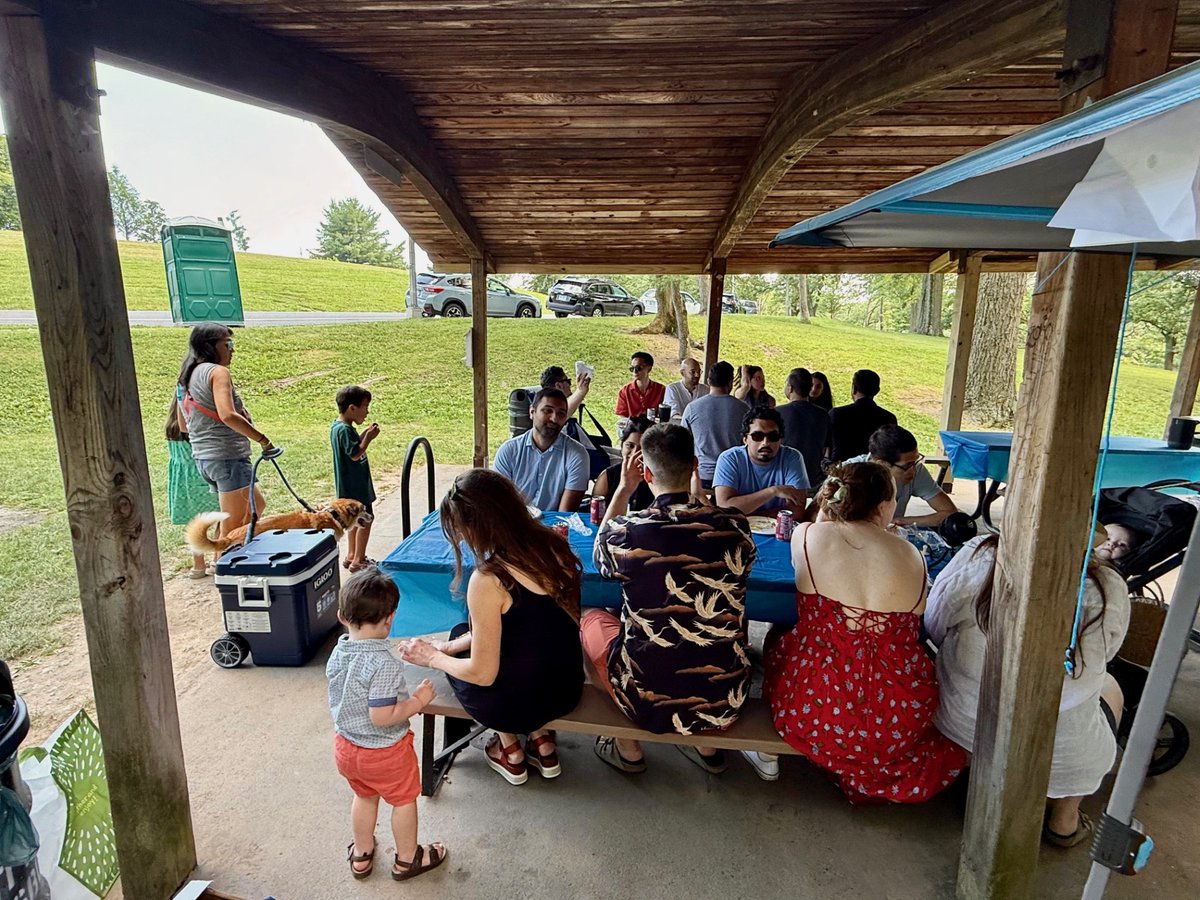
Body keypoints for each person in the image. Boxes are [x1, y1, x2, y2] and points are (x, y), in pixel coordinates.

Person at [763, 461, 968, 803]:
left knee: (777, 639)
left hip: (818, 704)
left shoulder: (808, 535)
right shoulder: (912, 555)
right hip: (901, 712)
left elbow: (816, 533)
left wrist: (827, 513)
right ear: (885, 504)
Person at [926, 535, 1129, 847]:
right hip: (1064, 753)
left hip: (965, 722)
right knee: (1108, 686)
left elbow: (935, 623)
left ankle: (969, 780)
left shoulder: (981, 557)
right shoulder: (1107, 585)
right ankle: (1065, 817)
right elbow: (1107, 654)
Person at [585, 424, 758, 777]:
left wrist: (623, 489)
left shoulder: (626, 532)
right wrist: (701, 498)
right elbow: (722, 532)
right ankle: (705, 744)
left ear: (646, 472)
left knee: (588, 619)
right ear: (695, 465)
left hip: (647, 700)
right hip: (725, 698)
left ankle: (628, 747)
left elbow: (599, 557)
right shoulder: (736, 527)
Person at [401, 469, 584, 785]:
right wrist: (450, 648)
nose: (460, 537)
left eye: (459, 529)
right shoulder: (554, 544)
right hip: (565, 689)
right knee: (464, 638)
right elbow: (540, 629)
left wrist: (433, 657)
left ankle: (510, 749)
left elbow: (482, 674)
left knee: (460, 656)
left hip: (517, 702)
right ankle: (541, 740)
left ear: (476, 527)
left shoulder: (488, 580)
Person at [327, 568, 447, 881]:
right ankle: (408, 859)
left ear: (342, 617)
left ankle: (362, 854)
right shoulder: (384, 663)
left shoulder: (339, 653)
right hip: (385, 753)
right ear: (390, 618)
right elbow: (382, 716)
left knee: (364, 797)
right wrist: (418, 701)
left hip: (346, 748)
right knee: (404, 801)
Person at [179, 323, 273, 537]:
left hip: (205, 459)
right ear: (209, 347)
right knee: (234, 530)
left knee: (255, 507)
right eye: (227, 344)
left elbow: (184, 425)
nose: (232, 349)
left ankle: (221, 559)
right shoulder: (218, 372)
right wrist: (262, 439)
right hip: (227, 458)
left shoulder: (188, 375)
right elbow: (227, 415)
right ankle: (223, 566)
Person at [493, 388, 589, 511]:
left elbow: (565, 514)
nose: (554, 419)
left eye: (561, 414)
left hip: (556, 527)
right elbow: (500, 504)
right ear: (532, 412)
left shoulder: (577, 454)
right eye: (548, 411)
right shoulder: (508, 451)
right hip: (514, 525)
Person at [848, 425, 956, 527]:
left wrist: (901, 521)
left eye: (916, 461)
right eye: (907, 465)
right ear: (882, 464)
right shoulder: (849, 476)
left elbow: (949, 512)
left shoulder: (915, 468)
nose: (913, 470)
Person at [714, 406, 810, 515]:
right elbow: (724, 507)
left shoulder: (792, 457)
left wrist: (752, 518)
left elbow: (797, 511)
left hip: (776, 528)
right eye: (757, 436)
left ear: (780, 440)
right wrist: (773, 491)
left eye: (773, 436)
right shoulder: (730, 458)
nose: (765, 442)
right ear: (745, 439)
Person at [166, 396, 220, 579]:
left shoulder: (170, 430)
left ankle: (198, 566)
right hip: (202, 479)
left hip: (183, 483)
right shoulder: (190, 430)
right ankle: (216, 560)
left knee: (195, 523)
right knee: (221, 515)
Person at [332, 385, 380, 572]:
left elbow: (352, 446)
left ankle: (351, 555)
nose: (367, 412)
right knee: (366, 519)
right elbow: (355, 453)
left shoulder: (339, 427)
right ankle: (359, 560)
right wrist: (369, 438)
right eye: (365, 407)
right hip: (356, 487)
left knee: (352, 521)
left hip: (347, 487)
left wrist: (364, 434)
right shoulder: (345, 429)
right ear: (352, 408)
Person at [680, 360, 748, 488]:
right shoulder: (743, 409)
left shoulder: (692, 408)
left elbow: (683, 443)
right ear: (730, 383)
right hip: (733, 476)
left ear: (708, 381)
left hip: (702, 476)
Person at [827, 369, 896, 462]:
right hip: (872, 471)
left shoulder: (836, 414)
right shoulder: (889, 418)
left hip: (841, 470)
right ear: (877, 391)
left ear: (854, 388)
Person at [777, 368, 829, 487]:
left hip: (783, 478)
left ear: (790, 388)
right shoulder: (823, 414)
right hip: (812, 478)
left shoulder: (777, 413)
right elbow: (824, 449)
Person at [593, 416, 654, 513]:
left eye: (643, 448)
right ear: (621, 446)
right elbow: (595, 514)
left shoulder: (659, 480)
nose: (635, 453)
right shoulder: (607, 477)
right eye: (630, 446)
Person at [615, 351, 666, 426]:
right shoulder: (625, 391)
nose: (635, 372)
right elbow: (622, 418)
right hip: (632, 429)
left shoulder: (661, 390)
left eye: (638, 368)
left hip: (654, 430)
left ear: (649, 369)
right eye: (632, 369)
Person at [664, 357, 708, 422]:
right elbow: (674, 415)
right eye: (693, 372)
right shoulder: (673, 389)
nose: (697, 375)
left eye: (699, 372)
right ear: (682, 373)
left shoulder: (706, 390)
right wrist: (692, 421)